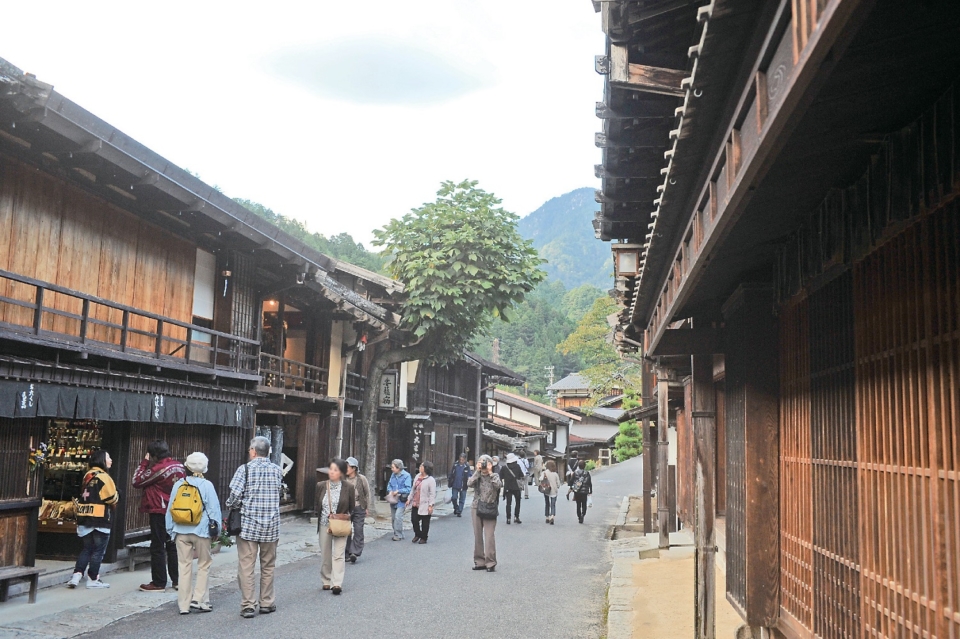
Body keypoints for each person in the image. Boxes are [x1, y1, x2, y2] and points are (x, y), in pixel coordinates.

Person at [226, 436, 283, 619]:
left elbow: (234, 496)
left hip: (249, 525)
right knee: (268, 565)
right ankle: (266, 602)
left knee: (246, 566)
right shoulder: (276, 470)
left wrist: (231, 505)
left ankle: (248, 605)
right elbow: (279, 493)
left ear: (252, 451)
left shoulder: (245, 469)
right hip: (271, 526)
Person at [166, 452, 221, 615]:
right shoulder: (207, 485)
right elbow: (213, 509)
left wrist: (171, 530)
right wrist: (216, 530)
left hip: (180, 530)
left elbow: (170, 508)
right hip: (201, 530)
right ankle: (199, 599)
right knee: (204, 564)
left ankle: (183, 605)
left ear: (187, 467)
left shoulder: (178, 484)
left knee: (184, 566)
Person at [133, 440, 186, 592]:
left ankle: (159, 582)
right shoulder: (179, 466)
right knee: (173, 545)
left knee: (157, 546)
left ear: (154, 455)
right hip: (176, 509)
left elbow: (136, 481)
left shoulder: (158, 468)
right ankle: (177, 580)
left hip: (159, 510)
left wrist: (144, 463)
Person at [67, 450, 119, 589]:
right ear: (102, 460)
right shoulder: (104, 477)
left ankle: (77, 575)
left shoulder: (87, 475)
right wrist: (117, 498)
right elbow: (111, 498)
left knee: (87, 549)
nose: (111, 460)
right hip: (100, 518)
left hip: (85, 517)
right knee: (98, 551)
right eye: (108, 457)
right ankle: (93, 578)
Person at [316, 459, 356, 595]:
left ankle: (337, 583)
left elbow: (352, 507)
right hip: (324, 523)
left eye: (335, 470)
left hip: (340, 524)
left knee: (338, 554)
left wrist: (347, 519)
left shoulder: (348, 487)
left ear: (341, 473)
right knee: (325, 554)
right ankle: (326, 580)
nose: (332, 472)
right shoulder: (321, 486)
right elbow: (317, 505)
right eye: (331, 469)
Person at [468, 455, 502, 572]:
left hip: (490, 507)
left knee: (489, 535)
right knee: (477, 535)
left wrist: (490, 472)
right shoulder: (477, 475)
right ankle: (479, 561)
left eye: (484, 463)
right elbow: (469, 483)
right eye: (480, 462)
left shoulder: (495, 475)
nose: (482, 465)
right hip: (476, 507)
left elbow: (498, 486)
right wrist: (477, 471)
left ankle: (490, 562)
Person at [343, 457, 369, 564]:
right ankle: (346, 553)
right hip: (346, 508)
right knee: (346, 531)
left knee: (358, 530)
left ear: (354, 468)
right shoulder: (343, 479)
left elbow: (367, 493)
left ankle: (354, 552)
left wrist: (366, 507)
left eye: (348, 467)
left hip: (359, 506)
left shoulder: (361, 479)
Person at [409, 461, 437, 544]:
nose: (420, 467)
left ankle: (424, 537)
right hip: (416, 502)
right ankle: (417, 534)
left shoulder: (431, 480)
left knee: (425, 522)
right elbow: (413, 489)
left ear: (426, 468)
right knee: (414, 520)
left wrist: (431, 505)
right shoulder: (417, 476)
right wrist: (409, 499)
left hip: (425, 503)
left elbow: (432, 494)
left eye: (422, 466)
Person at [386, 459, 412, 541]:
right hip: (393, 499)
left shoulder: (406, 476)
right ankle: (397, 532)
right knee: (394, 517)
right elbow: (389, 484)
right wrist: (390, 491)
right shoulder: (393, 475)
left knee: (398, 517)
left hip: (401, 499)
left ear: (398, 468)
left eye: (393, 467)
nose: (392, 469)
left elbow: (408, 488)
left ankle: (398, 534)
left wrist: (398, 491)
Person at [499, 452, 525, 524]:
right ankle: (516, 517)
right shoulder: (517, 466)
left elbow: (500, 477)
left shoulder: (504, 468)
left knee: (508, 503)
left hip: (508, 487)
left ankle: (508, 518)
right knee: (518, 502)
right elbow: (521, 475)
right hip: (516, 487)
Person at [542, 460, 561, 524]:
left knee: (547, 503)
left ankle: (547, 517)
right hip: (554, 491)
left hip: (546, 490)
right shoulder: (555, 474)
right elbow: (558, 484)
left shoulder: (544, 473)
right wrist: (557, 486)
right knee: (553, 504)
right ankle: (552, 516)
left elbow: (540, 479)